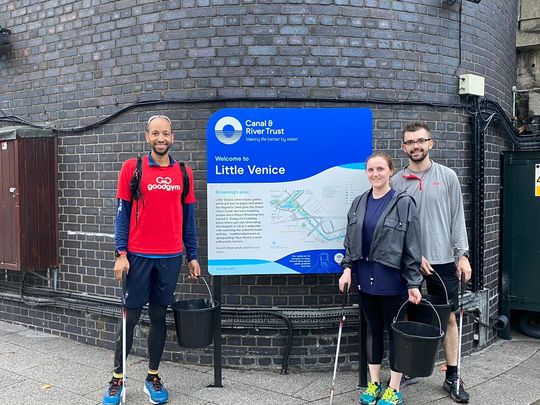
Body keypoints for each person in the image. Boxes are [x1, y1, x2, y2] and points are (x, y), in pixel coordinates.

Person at [102, 115, 201, 405]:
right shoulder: (133, 168)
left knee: (159, 317)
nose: (161, 138)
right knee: (130, 318)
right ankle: (117, 380)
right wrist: (121, 253)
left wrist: (192, 255)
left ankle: (152, 377)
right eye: (156, 133)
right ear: (147, 137)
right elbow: (122, 214)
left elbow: (189, 220)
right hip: (138, 257)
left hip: (170, 258)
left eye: (166, 133)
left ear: (172, 137)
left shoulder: (184, 172)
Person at [392, 121, 472, 403]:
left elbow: (456, 218)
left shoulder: (447, 176)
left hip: (442, 261)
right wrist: (414, 255)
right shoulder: (395, 182)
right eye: (410, 142)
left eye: (421, 141)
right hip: (409, 262)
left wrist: (462, 254)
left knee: (448, 317)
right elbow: (395, 228)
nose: (416, 146)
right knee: (408, 316)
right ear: (404, 147)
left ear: (431, 143)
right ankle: (408, 370)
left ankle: (452, 375)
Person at [339, 152, 423, 405]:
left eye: (380, 169)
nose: (375, 174)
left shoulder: (403, 202)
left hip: (392, 281)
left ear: (390, 171)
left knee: (395, 333)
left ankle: (394, 387)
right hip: (365, 278)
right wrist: (347, 269)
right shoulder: (358, 202)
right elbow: (349, 241)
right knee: (373, 331)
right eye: (371, 170)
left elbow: (412, 246)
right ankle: (374, 383)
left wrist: (413, 283)